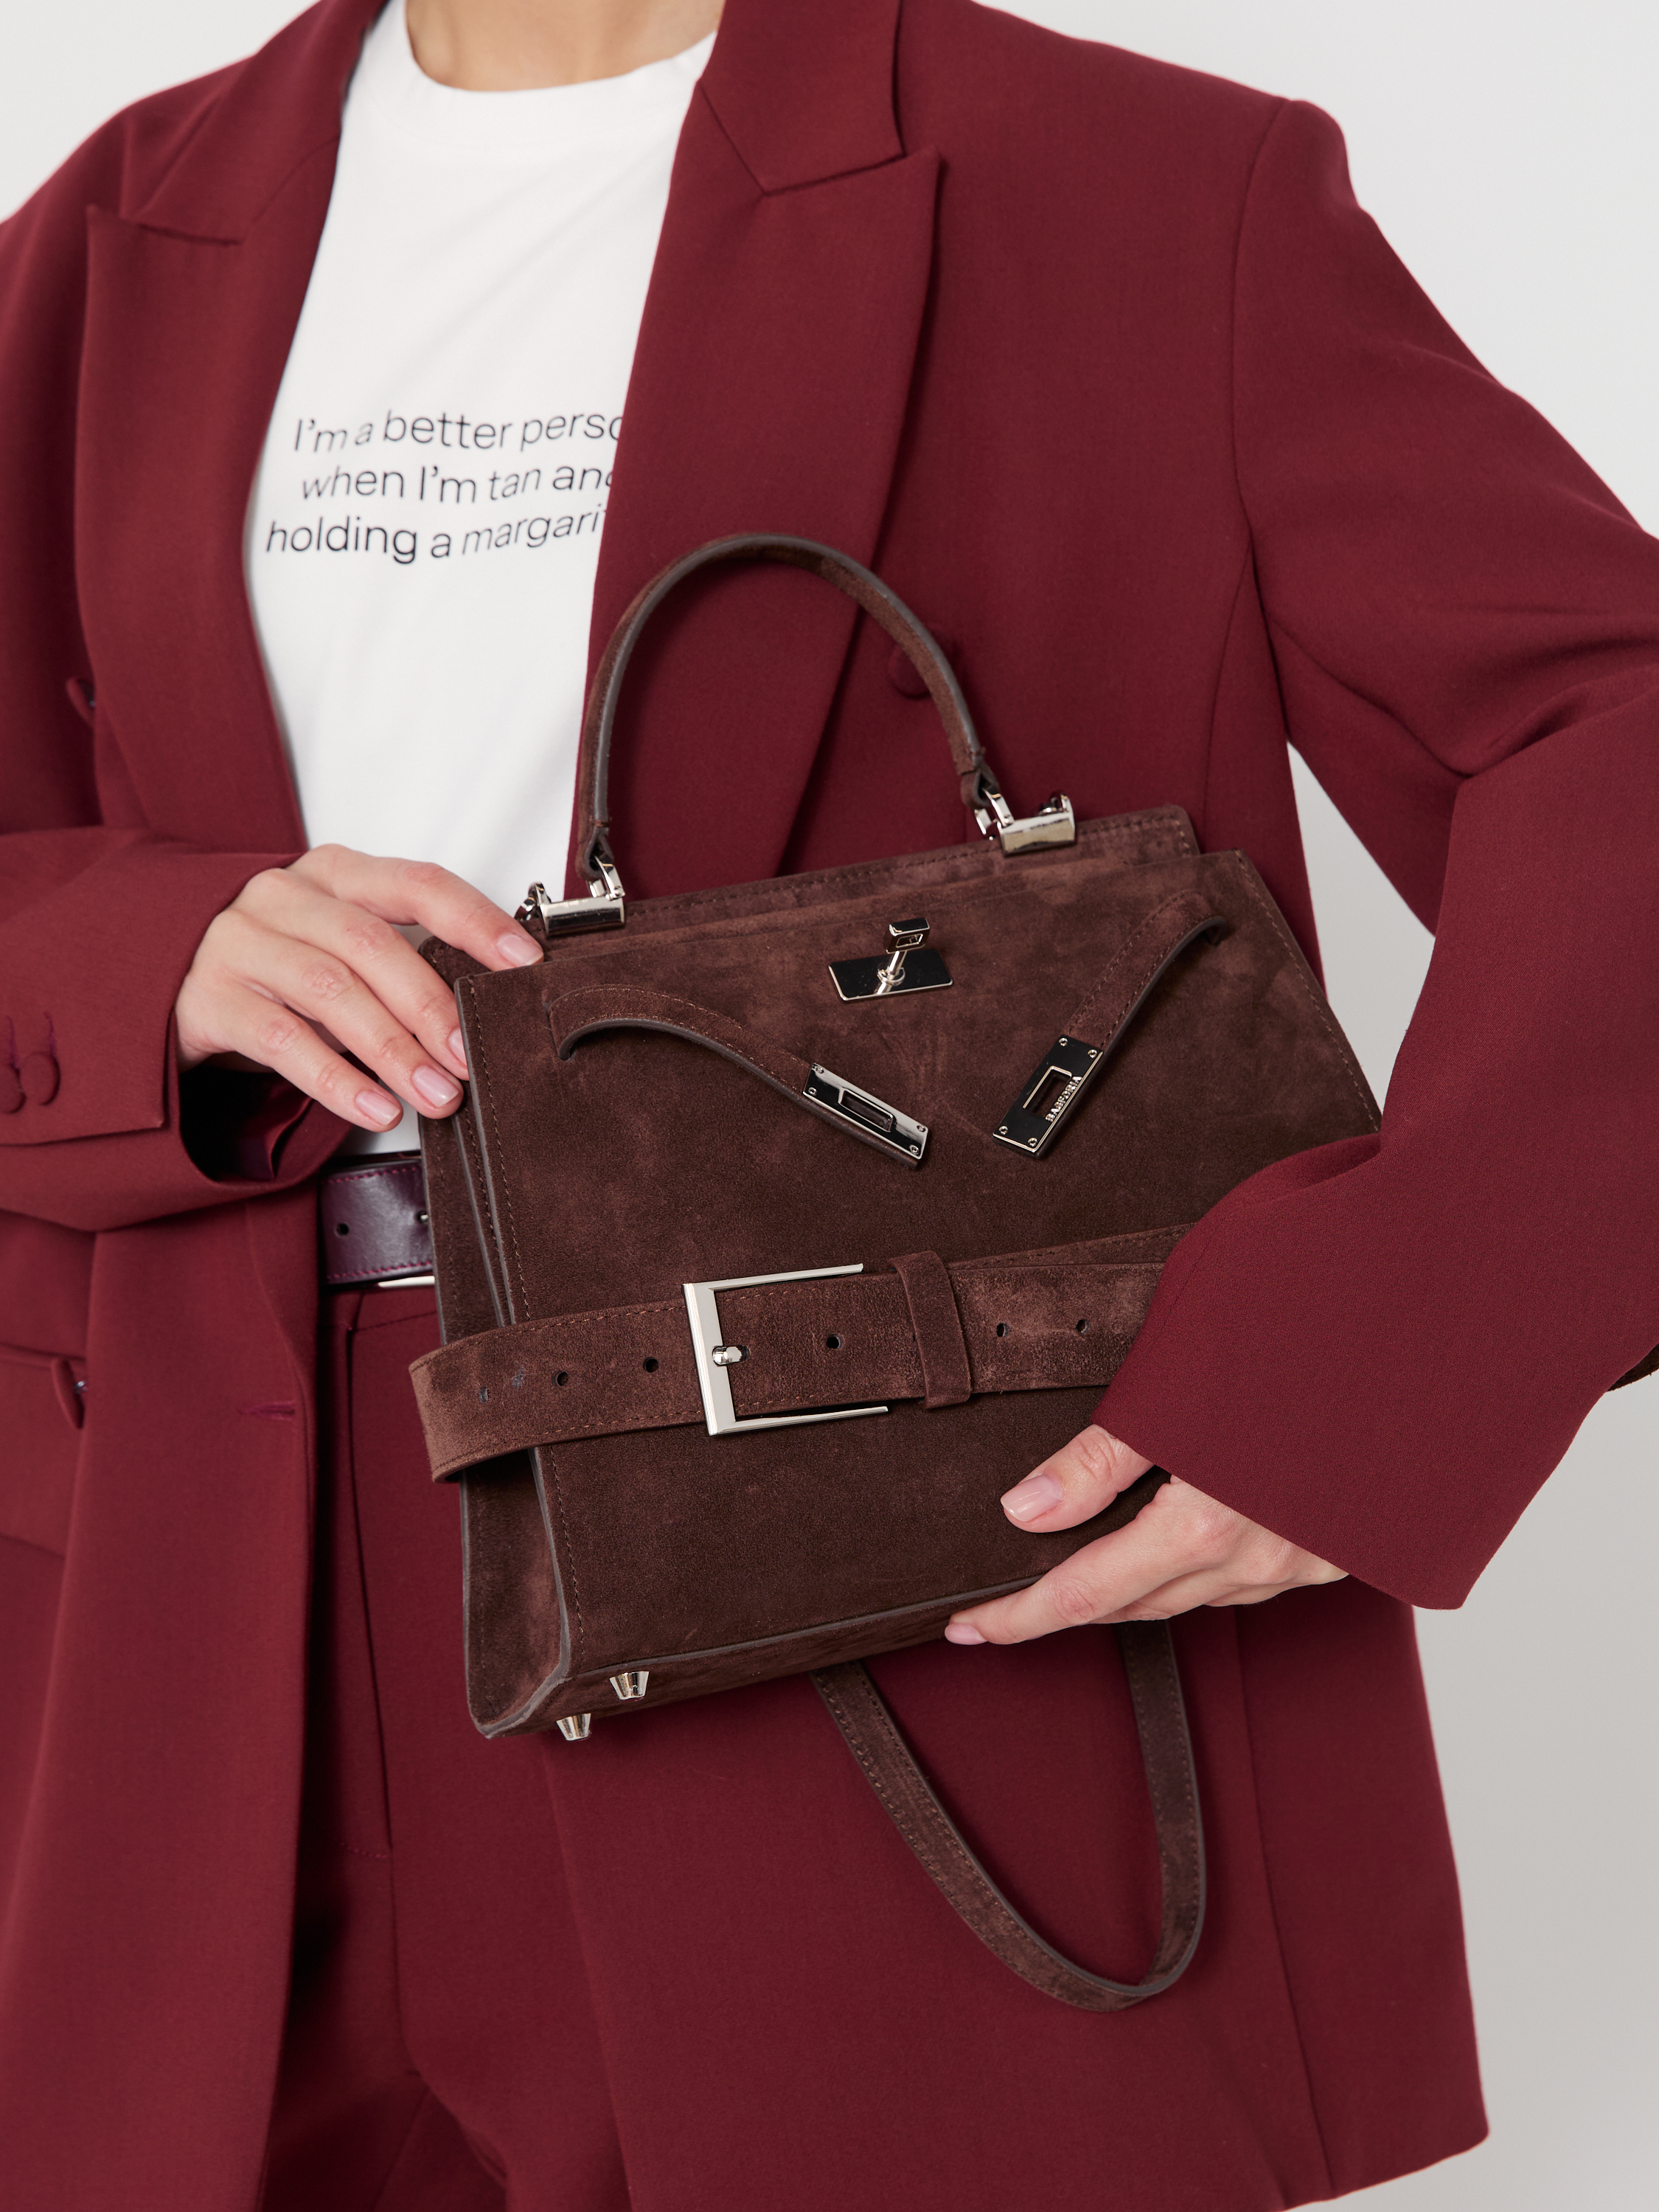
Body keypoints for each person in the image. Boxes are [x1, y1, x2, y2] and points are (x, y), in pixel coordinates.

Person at [0, 0, 1654, 2205]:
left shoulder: (1146, 193)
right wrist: (135, 957)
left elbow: (1611, 739)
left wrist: (1399, 1340)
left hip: (882, 1580)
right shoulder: (108, 237)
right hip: (197, 1614)